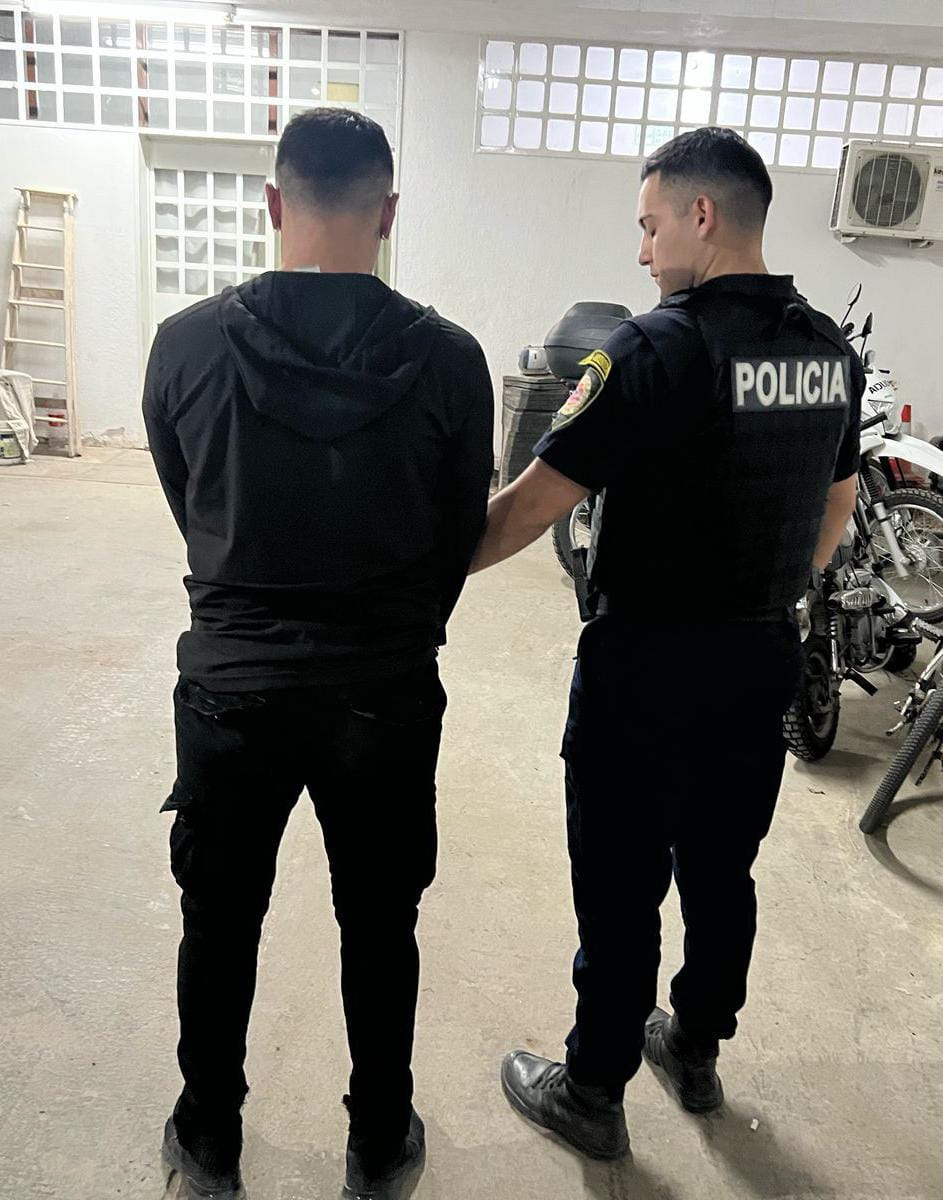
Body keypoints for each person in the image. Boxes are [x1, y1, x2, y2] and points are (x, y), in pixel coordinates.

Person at [472, 126, 863, 1159]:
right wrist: (775, 587)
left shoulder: (653, 349)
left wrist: (410, 572)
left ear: (701, 214)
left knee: (620, 882)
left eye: (650, 226)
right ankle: (693, 1046)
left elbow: (523, 513)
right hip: (759, 655)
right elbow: (835, 504)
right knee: (723, 867)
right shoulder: (827, 353)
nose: (641, 250)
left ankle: (592, 1089)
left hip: (646, 664)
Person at [143, 108, 494, 1200]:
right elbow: (456, 533)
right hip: (383, 691)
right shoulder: (450, 360)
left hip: (232, 689)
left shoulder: (186, 344)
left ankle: (210, 1137)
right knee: (381, 925)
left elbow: (190, 502)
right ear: (387, 213)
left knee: (219, 922)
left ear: (272, 204)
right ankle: (379, 1142)